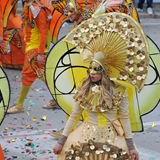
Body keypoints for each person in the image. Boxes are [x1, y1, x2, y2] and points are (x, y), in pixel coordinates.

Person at [7, 0, 59, 114]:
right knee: (45, 76)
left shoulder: (39, 10)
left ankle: (19, 105)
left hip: (35, 49)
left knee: (27, 75)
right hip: (31, 47)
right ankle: (58, 98)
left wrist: (40, 53)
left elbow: (43, 32)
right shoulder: (28, 7)